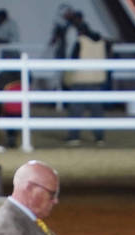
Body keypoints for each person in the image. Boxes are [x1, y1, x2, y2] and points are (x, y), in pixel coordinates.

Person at [50, 4, 106, 145]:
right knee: (96, 110)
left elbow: (72, 57)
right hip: (96, 77)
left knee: (76, 108)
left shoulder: (78, 41)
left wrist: (67, 74)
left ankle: (74, 136)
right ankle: (99, 137)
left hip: (80, 77)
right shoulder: (97, 39)